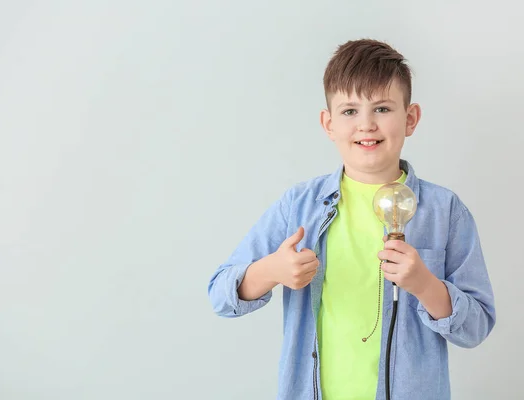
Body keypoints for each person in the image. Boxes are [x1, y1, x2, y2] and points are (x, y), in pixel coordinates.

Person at [207, 38, 496, 400]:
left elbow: (477, 327)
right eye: (349, 112)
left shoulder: (445, 211)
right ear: (328, 124)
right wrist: (271, 271)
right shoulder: (299, 205)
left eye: (382, 109)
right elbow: (220, 295)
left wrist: (425, 284)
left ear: (410, 119)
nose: (366, 125)